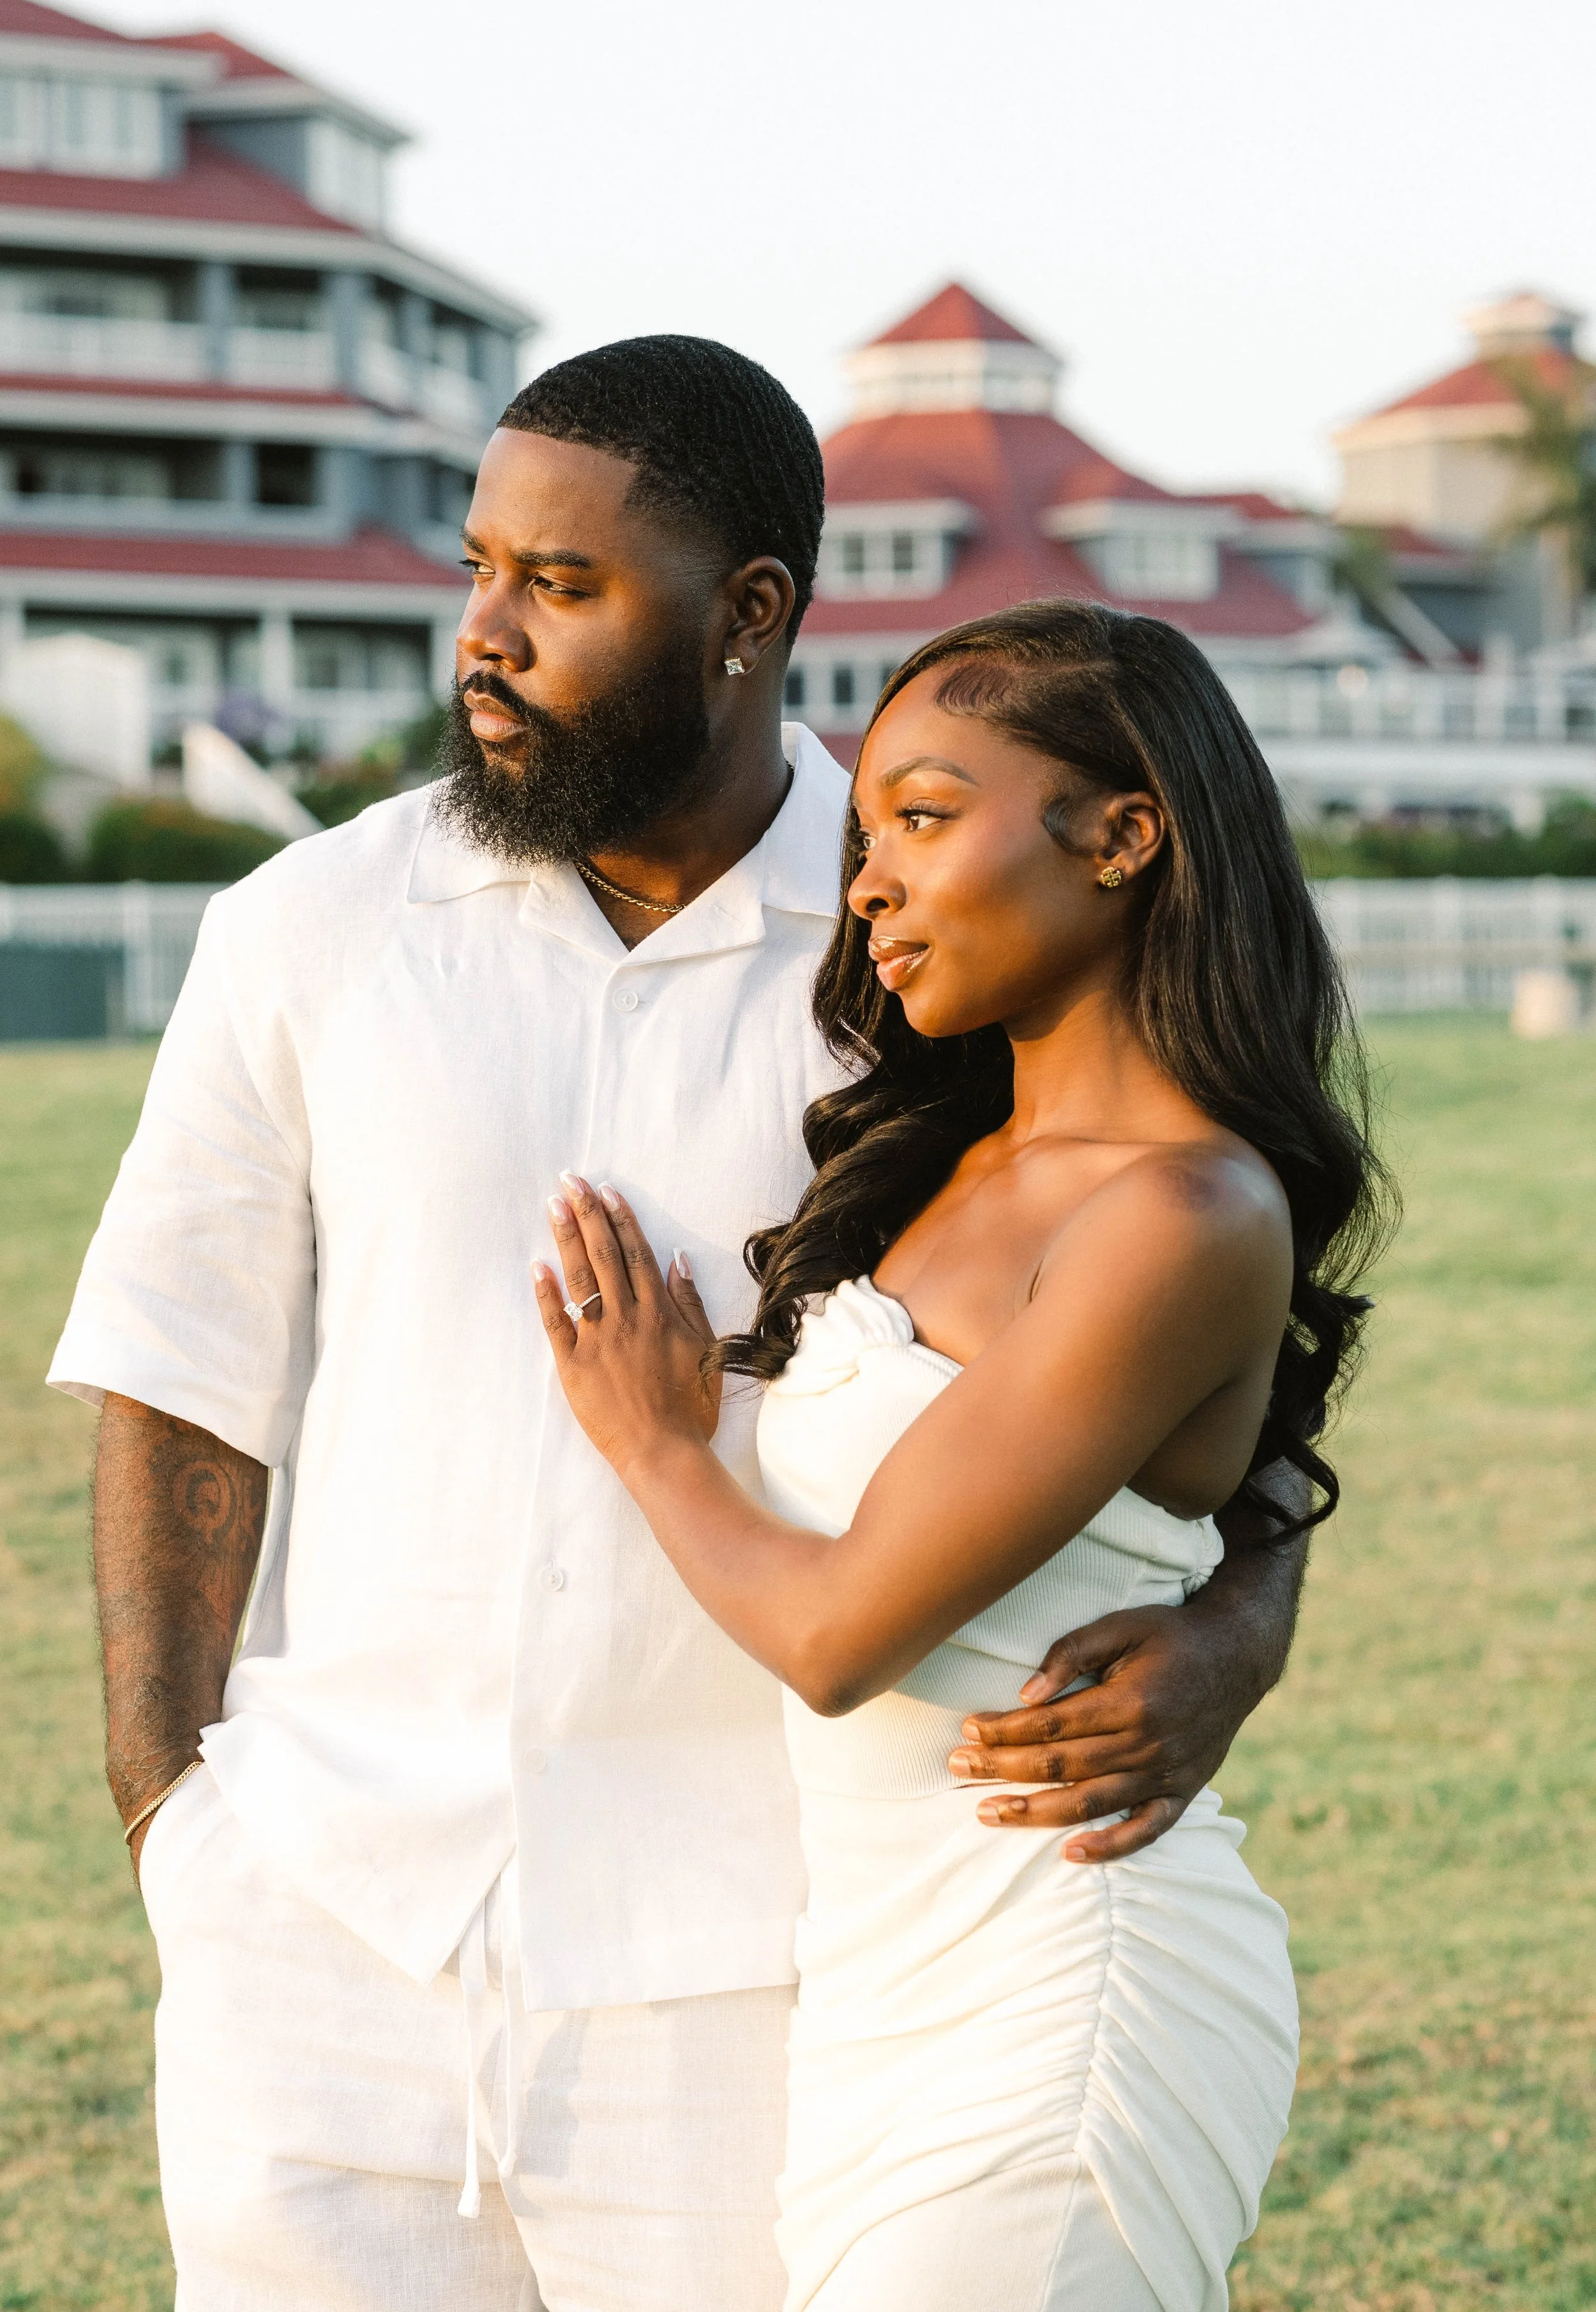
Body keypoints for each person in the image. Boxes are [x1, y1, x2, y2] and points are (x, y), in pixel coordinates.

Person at [54, 342, 1312, 2312]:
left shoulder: (926, 944)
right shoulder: (309, 927)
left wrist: (1243, 1615)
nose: (486, 634)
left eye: (561, 586)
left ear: (748, 615)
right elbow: (174, 1376)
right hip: (321, 1930)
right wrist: (173, 1821)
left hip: (754, 1963)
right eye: (480, 569)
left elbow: (1191, 1324)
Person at [535, 599, 1391, 2311]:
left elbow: (840, 1634)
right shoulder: (942, 1163)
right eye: (865, 839)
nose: (868, 885)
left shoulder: (1183, 1212)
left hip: (1061, 1987)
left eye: (923, 817)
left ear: (1123, 836)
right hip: (880, 1999)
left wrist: (654, 1439)